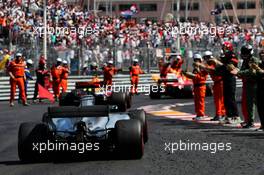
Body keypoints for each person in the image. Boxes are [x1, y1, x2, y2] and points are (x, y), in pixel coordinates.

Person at [230, 45, 259, 128]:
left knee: (257, 104)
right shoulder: (245, 61)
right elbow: (243, 71)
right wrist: (237, 72)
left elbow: (252, 71)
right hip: (247, 84)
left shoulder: (254, 60)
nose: (243, 55)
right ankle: (250, 121)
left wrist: (239, 73)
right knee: (249, 105)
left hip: (254, 84)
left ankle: (250, 122)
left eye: (245, 53)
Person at [214, 41, 240, 125]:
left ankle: (235, 116)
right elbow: (222, 67)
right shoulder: (225, 56)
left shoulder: (232, 55)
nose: (223, 49)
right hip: (225, 78)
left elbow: (231, 66)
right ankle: (228, 116)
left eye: (224, 48)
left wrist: (220, 63)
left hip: (230, 78)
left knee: (231, 98)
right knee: (226, 99)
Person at [202, 51, 226, 121]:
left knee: (219, 99)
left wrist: (204, 67)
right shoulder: (210, 63)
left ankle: (220, 114)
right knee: (217, 99)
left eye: (206, 57)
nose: (205, 59)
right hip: (216, 82)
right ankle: (220, 114)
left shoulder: (214, 63)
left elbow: (213, 69)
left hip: (220, 82)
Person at [183, 54, 208, 120]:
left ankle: (201, 114)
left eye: (197, 60)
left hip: (201, 86)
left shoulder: (203, 67)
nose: (195, 61)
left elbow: (201, 76)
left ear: (200, 60)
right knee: (196, 101)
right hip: (196, 86)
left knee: (200, 101)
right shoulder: (195, 69)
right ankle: (198, 114)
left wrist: (198, 68)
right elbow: (194, 77)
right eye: (195, 60)